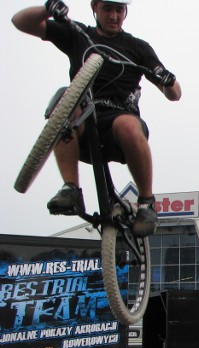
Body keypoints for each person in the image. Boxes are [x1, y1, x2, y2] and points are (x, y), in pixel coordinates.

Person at [12, 0, 182, 237]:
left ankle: (146, 203)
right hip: (81, 125)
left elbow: (175, 95)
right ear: (95, 8)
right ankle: (71, 189)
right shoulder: (79, 35)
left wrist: (167, 79)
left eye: (119, 10)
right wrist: (48, 8)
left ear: (126, 12)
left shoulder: (138, 48)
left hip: (119, 126)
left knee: (127, 124)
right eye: (107, 9)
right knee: (65, 100)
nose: (114, 16)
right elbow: (20, 22)